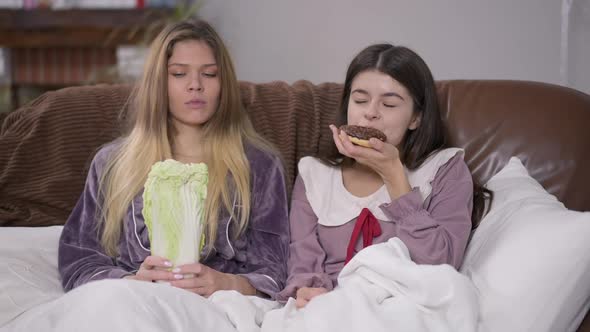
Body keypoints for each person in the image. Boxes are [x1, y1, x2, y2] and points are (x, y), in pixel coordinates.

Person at [58, 19, 290, 300]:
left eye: (209, 74)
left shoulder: (259, 164)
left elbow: (276, 269)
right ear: (159, 82)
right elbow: (79, 260)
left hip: (218, 308)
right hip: (132, 304)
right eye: (179, 74)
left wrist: (226, 284)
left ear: (223, 83)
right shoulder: (111, 163)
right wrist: (132, 281)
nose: (195, 86)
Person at [278, 44, 492, 308]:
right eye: (359, 100)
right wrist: (314, 296)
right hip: (329, 309)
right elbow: (303, 265)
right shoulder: (315, 173)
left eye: (389, 103)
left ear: (415, 117)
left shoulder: (445, 169)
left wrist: (394, 176)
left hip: (404, 308)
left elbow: (440, 268)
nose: (370, 112)